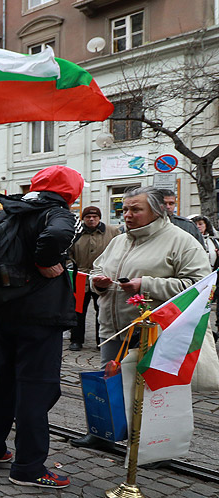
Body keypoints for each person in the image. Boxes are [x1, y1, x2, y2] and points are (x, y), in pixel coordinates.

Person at [0, 165, 84, 489]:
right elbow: (55, 236)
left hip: (1, 312)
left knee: (1, 383)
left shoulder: (8, 212)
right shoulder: (55, 213)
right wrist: (42, 262)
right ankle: (28, 467)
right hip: (39, 317)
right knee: (36, 390)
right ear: (71, 192)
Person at [70, 186, 211, 450]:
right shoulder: (120, 239)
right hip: (113, 328)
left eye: (136, 209)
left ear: (156, 211)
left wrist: (145, 284)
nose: (128, 215)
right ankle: (104, 433)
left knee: (154, 391)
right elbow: (99, 269)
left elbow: (199, 286)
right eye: (125, 209)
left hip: (156, 332)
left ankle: (154, 447)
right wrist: (98, 283)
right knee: (109, 380)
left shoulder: (181, 241)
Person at [67, 206, 121, 351]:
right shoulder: (75, 232)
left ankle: (100, 340)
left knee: (102, 310)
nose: (91, 219)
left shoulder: (113, 232)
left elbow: (118, 252)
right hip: (80, 277)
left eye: (95, 217)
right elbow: (67, 253)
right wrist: (71, 265)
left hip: (102, 277)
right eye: (88, 217)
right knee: (78, 310)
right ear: (83, 218)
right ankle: (76, 340)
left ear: (99, 218)